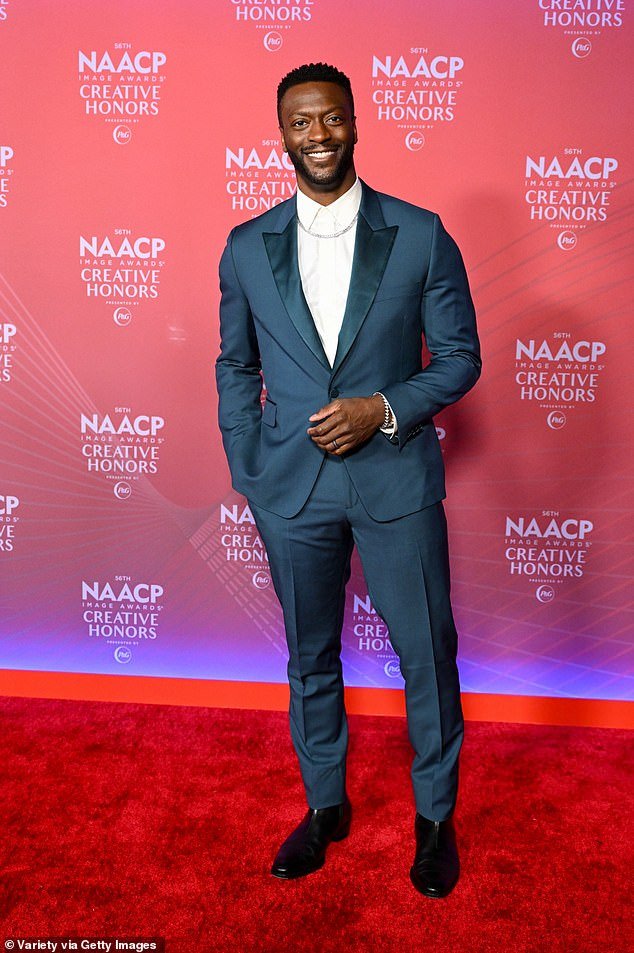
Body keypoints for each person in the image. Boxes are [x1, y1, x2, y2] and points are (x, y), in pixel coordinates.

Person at [215, 62, 481, 898]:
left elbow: (462, 359)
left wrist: (382, 408)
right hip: (290, 490)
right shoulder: (244, 247)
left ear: (355, 123)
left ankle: (434, 821)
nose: (318, 135)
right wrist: (249, 463)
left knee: (427, 655)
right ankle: (325, 807)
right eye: (301, 123)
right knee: (309, 656)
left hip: (395, 477)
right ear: (283, 133)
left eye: (331, 119)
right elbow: (233, 363)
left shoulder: (422, 233)